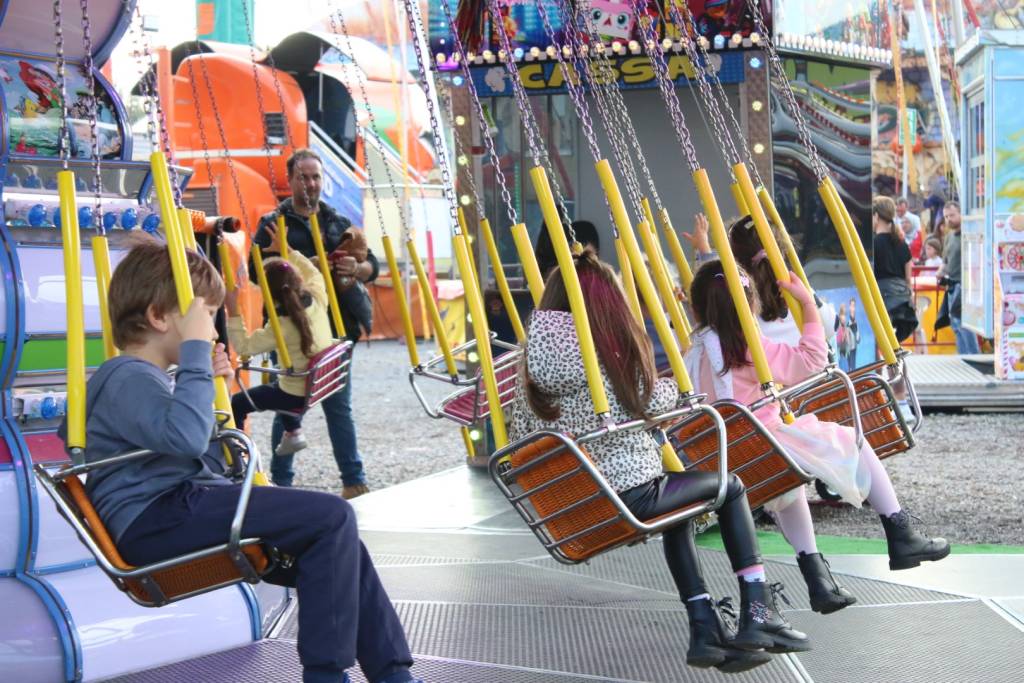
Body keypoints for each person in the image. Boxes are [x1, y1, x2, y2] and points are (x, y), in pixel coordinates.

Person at [60, 239, 419, 683]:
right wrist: (193, 360)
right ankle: (328, 675)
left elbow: (205, 456)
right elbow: (189, 441)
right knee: (333, 517)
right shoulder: (124, 377)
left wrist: (214, 385)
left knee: (339, 539)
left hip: (177, 507)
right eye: (205, 316)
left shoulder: (149, 381)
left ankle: (393, 673)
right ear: (158, 317)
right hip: (156, 518)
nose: (212, 331)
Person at [511, 250, 810, 673]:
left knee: (678, 510)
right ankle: (758, 609)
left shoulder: (533, 364)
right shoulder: (598, 358)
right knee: (731, 485)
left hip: (576, 505)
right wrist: (677, 392)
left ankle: (704, 625)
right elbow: (646, 400)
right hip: (627, 492)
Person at [684, 257, 950, 615]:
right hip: (766, 438)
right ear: (748, 304)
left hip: (729, 455)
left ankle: (817, 578)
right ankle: (899, 529)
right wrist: (808, 304)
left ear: (698, 307)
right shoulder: (747, 346)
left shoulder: (697, 350)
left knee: (787, 490)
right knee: (851, 440)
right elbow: (811, 361)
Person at [254, 148, 377, 499]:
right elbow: (255, 270)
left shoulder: (337, 221)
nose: (310, 183)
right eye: (303, 177)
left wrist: (358, 269)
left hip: (338, 330)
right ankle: (280, 483)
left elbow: (373, 265)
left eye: (316, 177)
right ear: (290, 180)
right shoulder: (272, 226)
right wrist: (300, 267)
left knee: (339, 405)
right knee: (290, 404)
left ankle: (353, 480)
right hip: (293, 330)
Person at [228, 223, 333, 454]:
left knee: (237, 403)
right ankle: (293, 432)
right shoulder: (317, 296)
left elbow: (244, 346)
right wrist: (287, 249)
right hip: (316, 383)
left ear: (270, 297)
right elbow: (312, 271)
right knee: (282, 379)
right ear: (297, 281)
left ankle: (235, 452)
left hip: (296, 393)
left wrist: (233, 311)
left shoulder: (280, 326)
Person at [937, 201, 981, 354]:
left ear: (960, 214)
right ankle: (963, 356)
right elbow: (946, 260)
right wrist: (941, 271)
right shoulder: (949, 236)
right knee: (956, 324)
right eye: (946, 216)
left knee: (964, 323)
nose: (949, 219)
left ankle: (973, 355)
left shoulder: (968, 235)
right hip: (952, 283)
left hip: (966, 284)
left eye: (952, 215)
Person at [872, 197, 918, 342]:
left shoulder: (872, 245)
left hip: (881, 299)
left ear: (876, 216)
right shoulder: (901, 244)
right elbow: (908, 278)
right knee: (894, 342)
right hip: (902, 301)